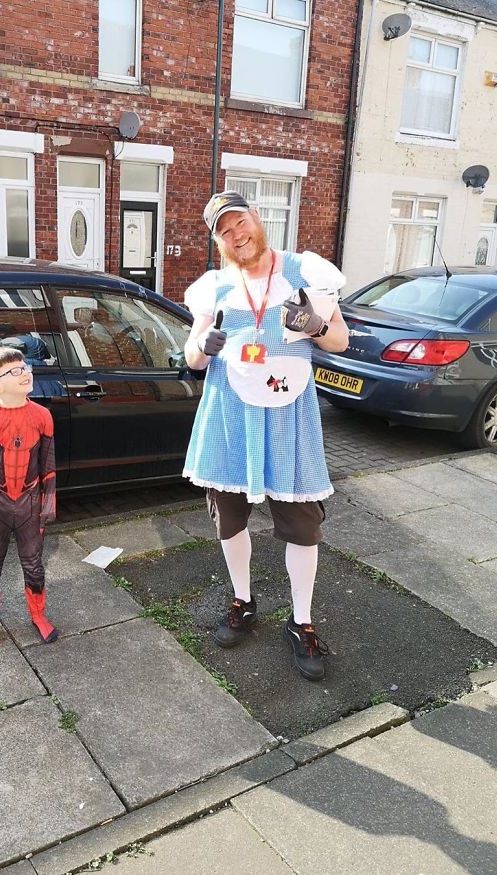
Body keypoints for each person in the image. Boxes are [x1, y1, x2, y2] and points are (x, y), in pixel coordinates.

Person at [183, 191, 349, 681]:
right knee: (229, 519)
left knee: (302, 525)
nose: (237, 235)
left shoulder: (305, 272)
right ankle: (242, 600)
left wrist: (315, 325)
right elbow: (192, 357)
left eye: (240, 223)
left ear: (257, 218)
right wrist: (203, 345)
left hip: (288, 418)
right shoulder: (215, 286)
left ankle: (302, 621)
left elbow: (340, 340)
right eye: (225, 232)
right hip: (230, 418)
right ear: (218, 241)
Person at [0, 346, 58, 652]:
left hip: (30, 503)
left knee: (34, 565)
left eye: (26, 367)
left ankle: (38, 615)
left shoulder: (43, 416)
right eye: (15, 371)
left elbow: (48, 465)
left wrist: (48, 503)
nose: (25, 373)